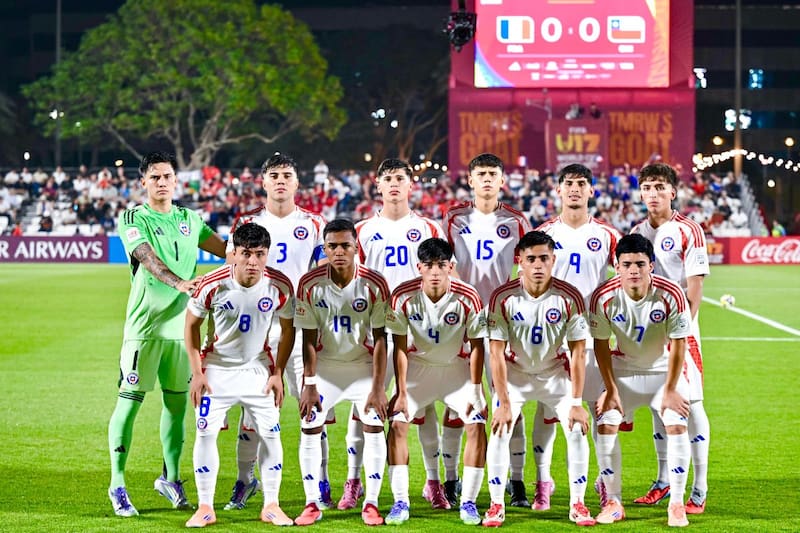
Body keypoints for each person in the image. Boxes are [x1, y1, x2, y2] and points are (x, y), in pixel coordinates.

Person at [107, 151, 226, 517]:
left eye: (167, 176)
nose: (162, 182)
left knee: (177, 407)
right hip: (144, 329)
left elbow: (227, 251)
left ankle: (170, 479)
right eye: (155, 177)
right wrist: (182, 283)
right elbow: (144, 255)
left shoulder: (191, 219)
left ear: (177, 181)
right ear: (143, 182)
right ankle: (117, 484)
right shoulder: (133, 217)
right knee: (129, 404)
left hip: (181, 332)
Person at [223, 152, 328, 510]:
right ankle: (244, 480)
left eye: (287, 175)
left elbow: (324, 276)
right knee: (252, 411)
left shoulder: (315, 223)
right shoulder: (245, 222)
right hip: (258, 333)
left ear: (297, 183)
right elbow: (229, 273)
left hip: (302, 329)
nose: (280, 181)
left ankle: (322, 482)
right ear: (263, 182)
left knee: (313, 407)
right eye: (274, 175)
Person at [351, 158, 449, 511]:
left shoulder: (429, 227)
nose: (394, 184)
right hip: (374, 329)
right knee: (366, 405)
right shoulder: (361, 230)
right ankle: (354, 482)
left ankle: (432, 483)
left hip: (418, 330)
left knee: (422, 408)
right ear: (377, 185)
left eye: (400, 178)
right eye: (387, 178)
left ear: (412, 185)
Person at [184, 223, 295, 528]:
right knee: (205, 434)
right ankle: (205, 506)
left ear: (267, 254)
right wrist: (197, 373)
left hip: (258, 369)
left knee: (272, 436)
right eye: (246, 253)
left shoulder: (280, 286)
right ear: (232, 252)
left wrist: (278, 373)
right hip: (216, 370)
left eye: (260, 254)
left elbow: (288, 331)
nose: (252, 262)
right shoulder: (213, 284)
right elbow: (191, 326)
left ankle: (271, 504)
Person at [484, 230, 595, 527]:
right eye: (530, 259)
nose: (537, 265)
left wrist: (576, 402)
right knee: (499, 428)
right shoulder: (502, 296)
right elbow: (495, 353)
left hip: (554, 375)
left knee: (577, 428)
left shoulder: (569, 296)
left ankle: (578, 504)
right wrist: (504, 402)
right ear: (519, 261)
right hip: (515, 375)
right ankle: (496, 505)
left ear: (553, 260)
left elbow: (579, 353)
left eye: (544, 258)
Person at [442, 152, 531, 508]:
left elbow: (526, 267)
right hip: (461, 319)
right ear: (471, 180)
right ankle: (450, 481)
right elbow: (444, 264)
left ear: (502, 180)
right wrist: (465, 298)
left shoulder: (516, 221)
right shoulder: (453, 218)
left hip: (501, 320)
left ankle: (518, 480)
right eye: (481, 174)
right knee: (456, 402)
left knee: (510, 400)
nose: (487, 180)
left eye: (493, 174)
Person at [532, 163, 621, 511]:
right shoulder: (543, 234)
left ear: (592, 191)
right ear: (557, 190)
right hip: (553, 339)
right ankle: (543, 481)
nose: (574, 189)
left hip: (593, 337)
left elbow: (621, 283)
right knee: (548, 412)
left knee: (601, 412)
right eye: (568, 183)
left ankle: (603, 480)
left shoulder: (607, 234)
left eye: (581, 184)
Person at [590, 233, 693, 527]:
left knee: (676, 421)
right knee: (606, 422)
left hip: (664, 373)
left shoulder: (671, 293)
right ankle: (613, 501)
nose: (633, 270)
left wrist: (672, 389)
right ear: (616, 266)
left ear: (652, 265)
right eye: (626, 264)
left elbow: (679, 344)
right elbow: (600, 345)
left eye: (640, 264)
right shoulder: (604, 297)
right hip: (624, 372)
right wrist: (610, 389)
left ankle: (676, 503)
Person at [384, 238, 489, 526]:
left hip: (456, 369)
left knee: (477, 424)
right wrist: (402, 391)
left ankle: (467, 502)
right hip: (418, 369)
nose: (434, 272)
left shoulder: (469, 296)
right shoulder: (402, 296)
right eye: (428, 266)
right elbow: (400, 346)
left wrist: (477, 391)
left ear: (450, 267)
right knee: (398, 424)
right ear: (418, 267)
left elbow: (478, 345)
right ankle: (400, 502)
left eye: (441, 265)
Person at [293, 219, 390, 526]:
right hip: (325, 368)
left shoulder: (374, 283)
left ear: (355, 248)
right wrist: (309, 383)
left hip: (362, 368)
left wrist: (377, 387)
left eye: (345, 245)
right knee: (309, 425)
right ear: (324, 248)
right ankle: (311, 503)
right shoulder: (309, 283)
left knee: (373, 426)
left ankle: (371, 503)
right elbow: (307, 338)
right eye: (332, 246)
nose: (338, 251)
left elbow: (380, 339)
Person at [630, 163, 711, 514]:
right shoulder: (636, 231)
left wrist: (677, 331)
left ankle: (699, 487)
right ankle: (663, 480)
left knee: (689, 405)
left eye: (660, 187)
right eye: (647, 187)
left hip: (680, 332)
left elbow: (694, 290)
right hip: (647, 332)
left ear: (673, 192)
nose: (653, 193)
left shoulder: (689, 231)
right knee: (656, 405)